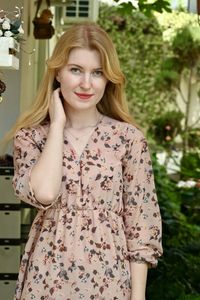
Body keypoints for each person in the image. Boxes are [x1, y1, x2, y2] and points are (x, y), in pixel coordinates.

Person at [11, 22, 162, 300]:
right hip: (47, 277)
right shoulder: (30, 137)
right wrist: (57, 125)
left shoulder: (128, 139)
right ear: (58, 72)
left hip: (110, 280)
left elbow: (141, 225)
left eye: (97, 73)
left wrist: (138, 296)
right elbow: (44, 194)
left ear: (108, 79)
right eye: (76, 70)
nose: (86, 84)